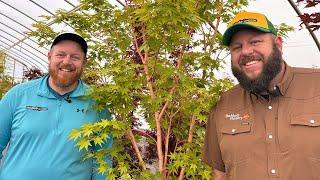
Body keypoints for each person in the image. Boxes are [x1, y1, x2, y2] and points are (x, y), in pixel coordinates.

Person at [203, 11, 320, 180]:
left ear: (278, 44)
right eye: (237, 47)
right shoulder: (223, 105)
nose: (245, 51)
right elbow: (220, 174)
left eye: (255, 41)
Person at [0, 33, 112, 180]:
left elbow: (102, 158)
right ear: (49, 56)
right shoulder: (18, 95)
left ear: (84, 62)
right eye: (60, 54)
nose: (67, 61)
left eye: (75, 57)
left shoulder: (96, 103)